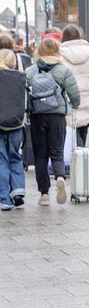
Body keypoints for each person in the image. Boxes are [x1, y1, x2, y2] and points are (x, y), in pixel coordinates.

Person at [25, 37, 79, 206]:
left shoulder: (31, 71)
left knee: (40, 155)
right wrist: (75, 105)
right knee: (56, 152)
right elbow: (74, 95)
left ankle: (44, 195)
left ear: (40, 51)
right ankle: (61, 177)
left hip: (37, 116)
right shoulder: (63, 71)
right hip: (57, 116)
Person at [58, 24, 89, 147]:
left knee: (70, 129)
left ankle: (74, 153)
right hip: (87, 96)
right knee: (83, 127)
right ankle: (81, 153)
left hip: (68, 95)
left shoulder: (60, 52)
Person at [0, 49, 26, 210]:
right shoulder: (21, 77)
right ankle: (17, 191)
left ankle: (4, 199)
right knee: (15, 157)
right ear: (14, 62)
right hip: (17, 124)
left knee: (2, 160)